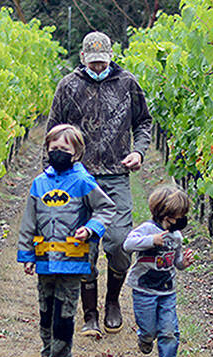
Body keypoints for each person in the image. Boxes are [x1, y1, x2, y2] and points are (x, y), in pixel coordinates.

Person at [48, 31, 152, 338]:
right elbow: (53, 130)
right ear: (82, 59)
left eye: (102, 63)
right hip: (77, 177)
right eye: (92, 63)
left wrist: (138, 151)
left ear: (110, 58)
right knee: (82, 247)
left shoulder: (128, 84)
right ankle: (90, 314)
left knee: (120, 242)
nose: (97, 68)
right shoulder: (68, 86)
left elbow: (144, 122)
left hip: (116, 176)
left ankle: (112, 301)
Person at [17, 124, 115, 357]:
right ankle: (48, 356)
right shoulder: (39, 183)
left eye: (65, 149)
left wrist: (91, 228)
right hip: (45, 261)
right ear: (47, 150)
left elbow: (106, 208)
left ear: (77, 153)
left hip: (73, 261)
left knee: (64, 314)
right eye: (54, 148)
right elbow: (29, 221)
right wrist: (27, 255)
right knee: (46, 312)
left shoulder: (83, 181)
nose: (58, 152)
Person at [122, 185, 194, 357]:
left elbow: (176, 262)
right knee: (149, 328)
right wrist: (151, 240)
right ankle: (145, 337)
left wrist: (183, 263)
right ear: (164, 214)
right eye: (177, 216)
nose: (181, 221)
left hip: (167, 290)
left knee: (169, 329)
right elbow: (127, 245)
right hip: (144, 289)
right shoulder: (147, 229)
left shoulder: (177, 236)